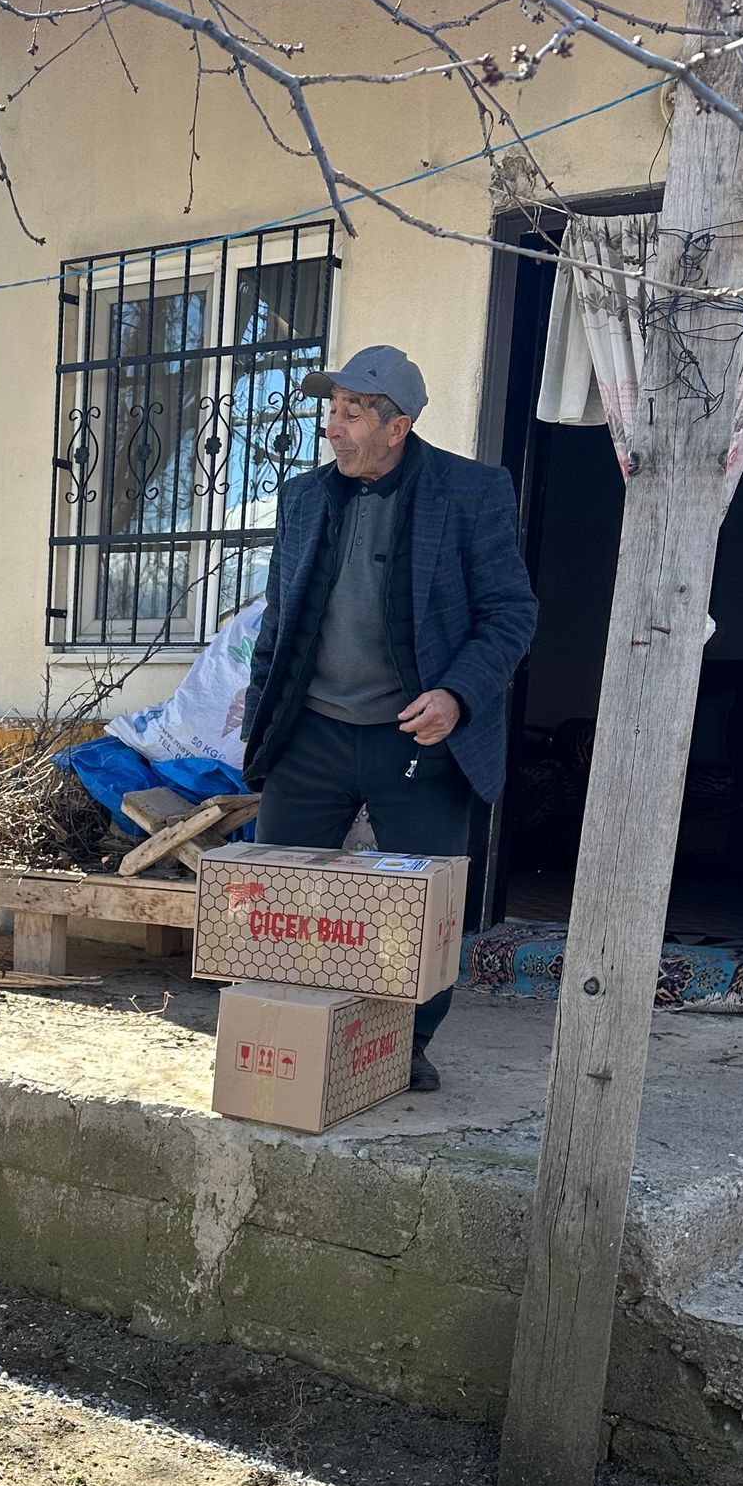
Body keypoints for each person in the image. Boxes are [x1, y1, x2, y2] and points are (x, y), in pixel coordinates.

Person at [240, 345, 537, 1091]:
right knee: (278, 896)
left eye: (351, 413)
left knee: (420, 909)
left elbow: (510, 613)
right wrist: (259, 717)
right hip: (311, 731)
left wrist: (457, 696)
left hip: (416, 735)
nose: (332, 428)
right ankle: (280, 1032)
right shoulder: (304, 497)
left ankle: (403, 1045)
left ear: (397, 427)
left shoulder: (471, 492)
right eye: (331, 410)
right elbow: (279, 618)